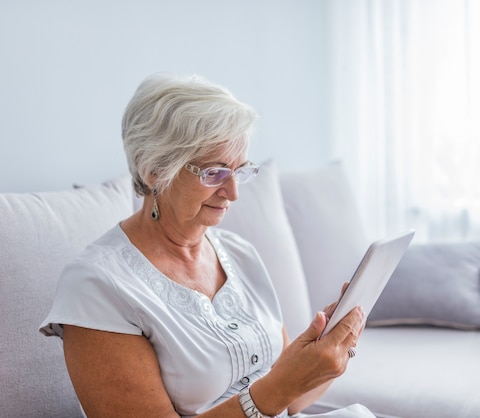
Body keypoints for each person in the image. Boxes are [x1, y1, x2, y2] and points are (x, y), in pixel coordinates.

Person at [39, 73, 374, 418]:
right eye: (214, 173)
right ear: (154, 170)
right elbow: (277, 392)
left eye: (240, 171)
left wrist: (333, 350)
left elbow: (289, 400)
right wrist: (277, 390)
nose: (234, 193)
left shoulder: (241, 254)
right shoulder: (97, 285)